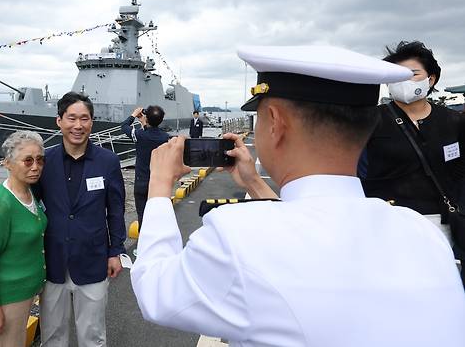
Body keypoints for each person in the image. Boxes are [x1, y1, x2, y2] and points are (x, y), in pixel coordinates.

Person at [131, 46, 465, 346]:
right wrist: (254, 184)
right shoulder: (423, 235)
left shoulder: (237, 237)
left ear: (275, 122)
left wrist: (160, 188)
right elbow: (311, 233)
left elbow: (155, 292)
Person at [38, 91, 126, 347]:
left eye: (84, 119)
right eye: (71, 118)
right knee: (52, 335)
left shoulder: (107, 161)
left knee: (93, 335)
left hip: (93, 259)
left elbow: (116, 210)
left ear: (92, 122)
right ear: (59, 121)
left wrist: (116, 251)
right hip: (52, 261)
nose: (78, 126)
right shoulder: (45, 161)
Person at [359, 41, 465, 236]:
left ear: (431, 79)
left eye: (413, 74)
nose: (404, 81)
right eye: (396, 76)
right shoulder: (370, 120)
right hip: (389, 222)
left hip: (445, 221)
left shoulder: (453, 120)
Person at [0, 130, 47, 347]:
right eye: (27, 161)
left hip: (24, 294)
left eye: (39, 160)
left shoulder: (29, 192)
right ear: (7, 163)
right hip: (7, 298)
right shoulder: (0, 207)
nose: (35, 167)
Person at [120, 105, 169, 231]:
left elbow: (124, 126)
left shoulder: (139, 135)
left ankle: (143, 245)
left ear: (147, 118)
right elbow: (152, 134)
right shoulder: (165, 137)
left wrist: (133, 115)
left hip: (141, 182)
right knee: (157, 216)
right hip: (158, 183)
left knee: (142, 215)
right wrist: (144, 122)